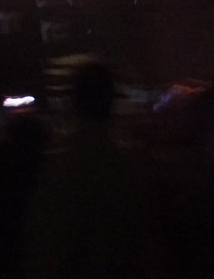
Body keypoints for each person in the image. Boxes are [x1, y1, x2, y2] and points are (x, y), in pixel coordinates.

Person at [22, 60, 144, 278]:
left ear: (73, 103)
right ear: (111, 101)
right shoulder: (134, 163)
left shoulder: (56, 164)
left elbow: (46, 238)